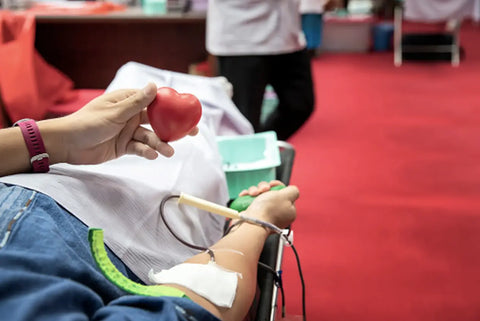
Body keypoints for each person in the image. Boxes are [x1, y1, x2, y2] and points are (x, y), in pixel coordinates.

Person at [0, 83, 300, 321]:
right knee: (195, 142)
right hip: (116, 223)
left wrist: (56, 139)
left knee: (132, 85)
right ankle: (215, 93)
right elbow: (197, 299)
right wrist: (255, 221)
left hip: (43, 166)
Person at [206, 0, 315, 141]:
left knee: (299, 105)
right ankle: (250, 155)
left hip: (287, 34)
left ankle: (261, 148)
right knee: (244, 122)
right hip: (242, 38)